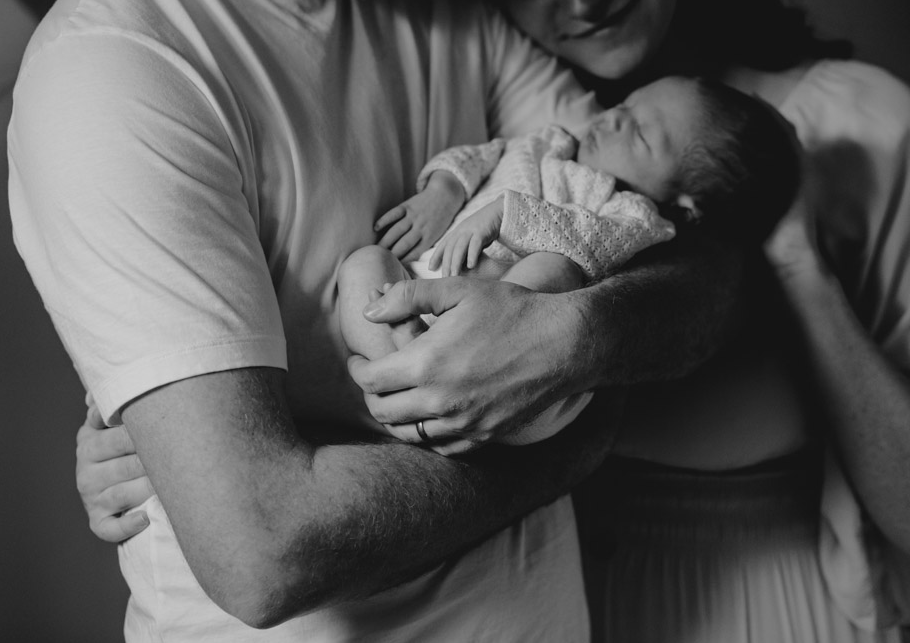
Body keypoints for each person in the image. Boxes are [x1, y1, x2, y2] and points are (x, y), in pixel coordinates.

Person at [11, 0, 750, 643]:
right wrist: (577, 428)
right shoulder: (115, 68)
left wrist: (579, 336)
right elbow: (265, 553)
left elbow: (693, 255)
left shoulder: (453, 11)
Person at [338, 74, 800, 448]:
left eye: (639, 133)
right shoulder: (549, 143)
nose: (616, 118)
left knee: (558, 267)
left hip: (515, 363)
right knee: (365, 264)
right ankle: (400, 378)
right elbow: (484, 155)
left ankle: (431, 391)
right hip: (428, 281)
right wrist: (444, 189)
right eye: (628, 104)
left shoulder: (635, 215)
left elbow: (591, 242)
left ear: (685, 205)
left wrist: (507, 213)